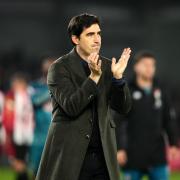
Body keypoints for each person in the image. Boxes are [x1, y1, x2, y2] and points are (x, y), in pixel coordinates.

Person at [36, 13, 131, 180]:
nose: (97, 39)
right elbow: (72, 106)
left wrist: (118, 80)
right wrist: (93, 78)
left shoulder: (109, 66)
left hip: (103, 157)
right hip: (71, 157)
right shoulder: (59, 69)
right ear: (75, 39)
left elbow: (123, 108)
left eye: (98, 33)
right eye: (90, 34)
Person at [115, 51, 179, 180]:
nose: (150, 68)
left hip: (157, 155)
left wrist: (173, 144)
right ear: (136, 67)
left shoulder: (160, 89)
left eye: (152, 65)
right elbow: (118, 122)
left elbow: (168, 119)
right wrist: (119, 148)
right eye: (145, 65)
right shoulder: (126, 90)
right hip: (132, 155)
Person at [2, 73, 34, 180]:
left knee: (18, 161)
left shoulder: (15, 96)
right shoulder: (29, 94)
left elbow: (9, 117)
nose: (14, 86)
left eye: (16, 84)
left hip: (20, 133)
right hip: (24, 133)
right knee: (18, 161)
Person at [29, 57, 54, 178]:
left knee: (54, 170)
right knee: (36, 169)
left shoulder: (64, 86)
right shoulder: (34, 86)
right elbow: (35, 101)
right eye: (47, 66)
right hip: (39, 134)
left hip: (56, 133)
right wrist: (52, 88)